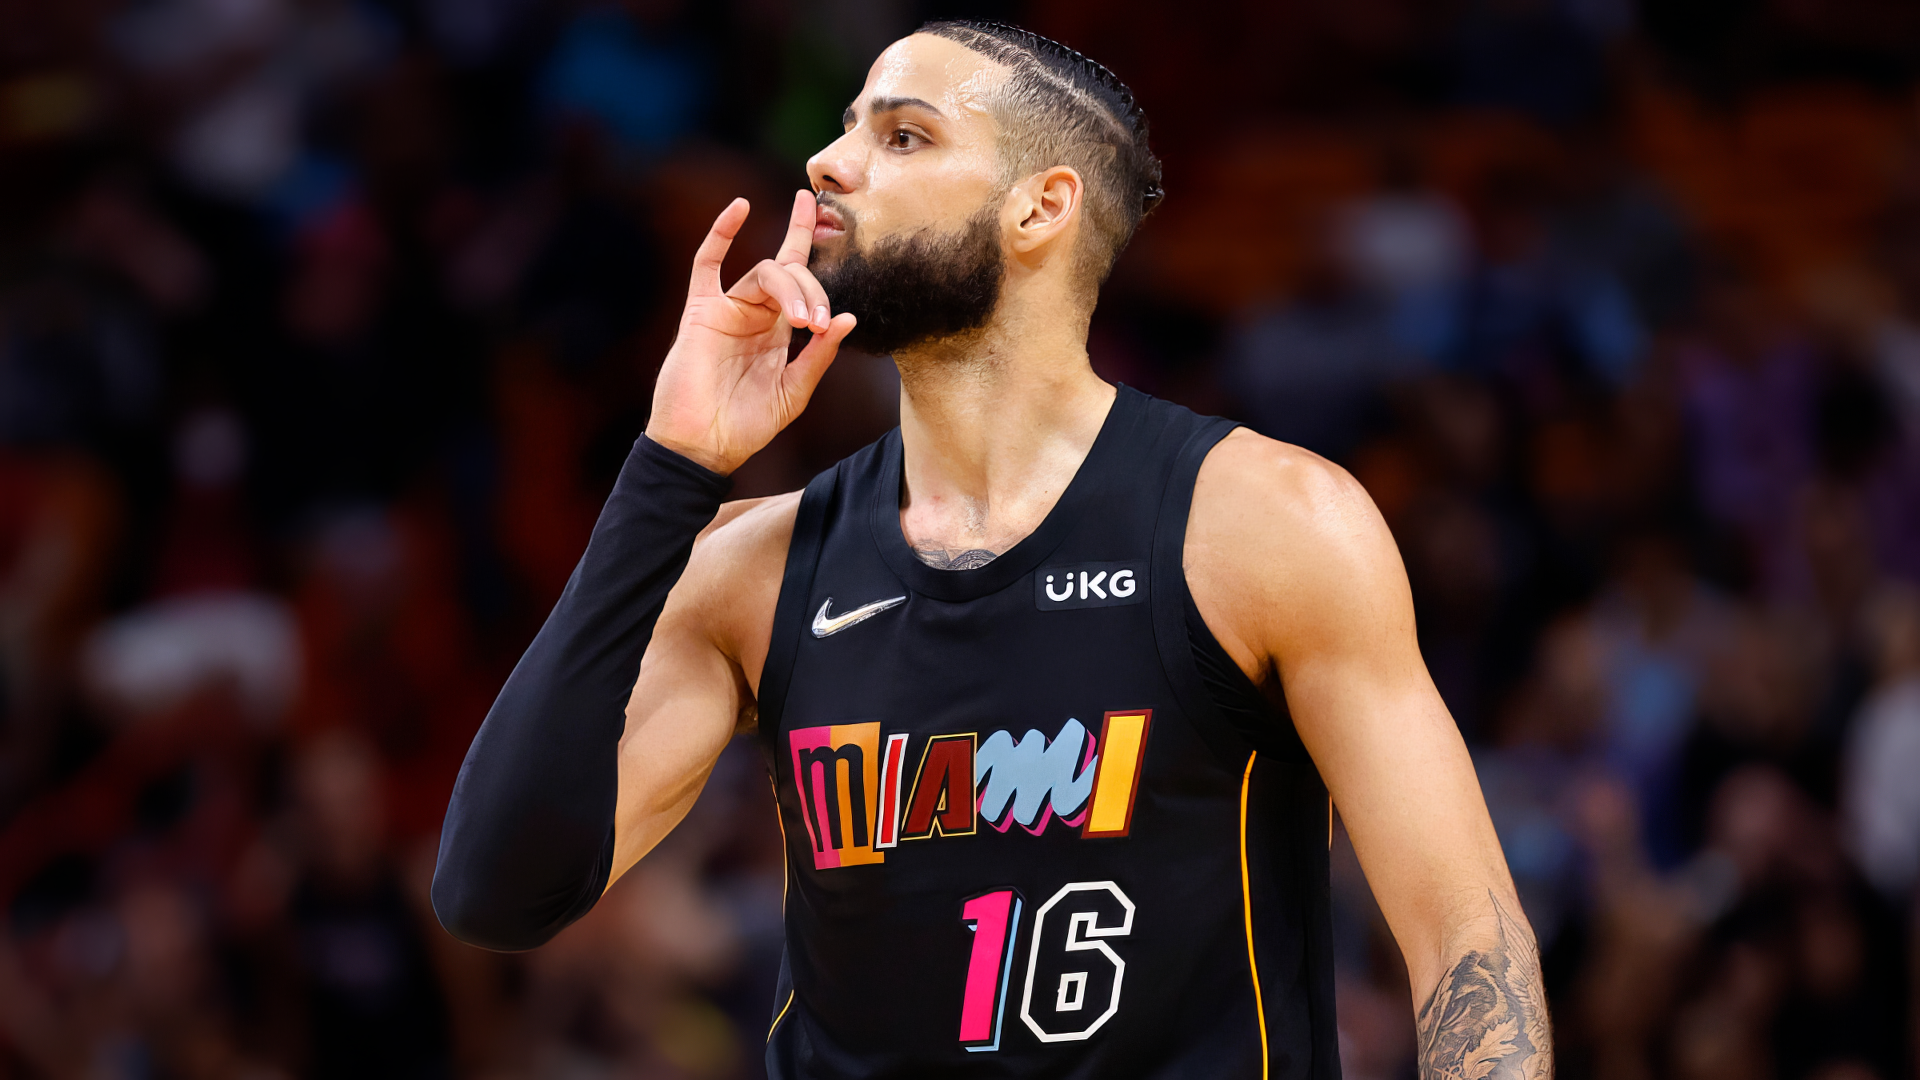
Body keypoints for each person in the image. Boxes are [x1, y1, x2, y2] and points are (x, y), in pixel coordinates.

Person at [431, 20, 1551, 1079]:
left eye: (903, 135)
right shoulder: (752, 565)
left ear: (1039, 208)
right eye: (845, 127)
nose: (827, 163)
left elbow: (1470, 944)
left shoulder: (1265, 523)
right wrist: (670, 467)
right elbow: (495, 892)